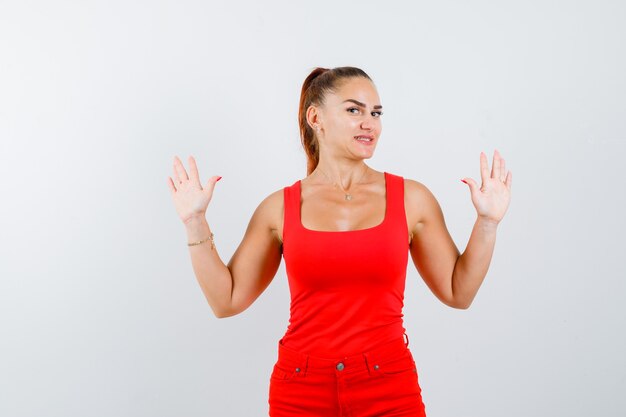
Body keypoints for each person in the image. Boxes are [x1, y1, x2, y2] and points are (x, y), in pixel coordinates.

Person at [167, 66, 512, 416]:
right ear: (316, 117)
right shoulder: (278, 209)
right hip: (300, 390)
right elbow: (226, 300)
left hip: (389, 387)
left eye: (376, 113)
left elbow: (458, 292)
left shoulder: (412, 199)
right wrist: (194, 221)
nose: (370, 123)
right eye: (354, 110)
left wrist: (487, 222)